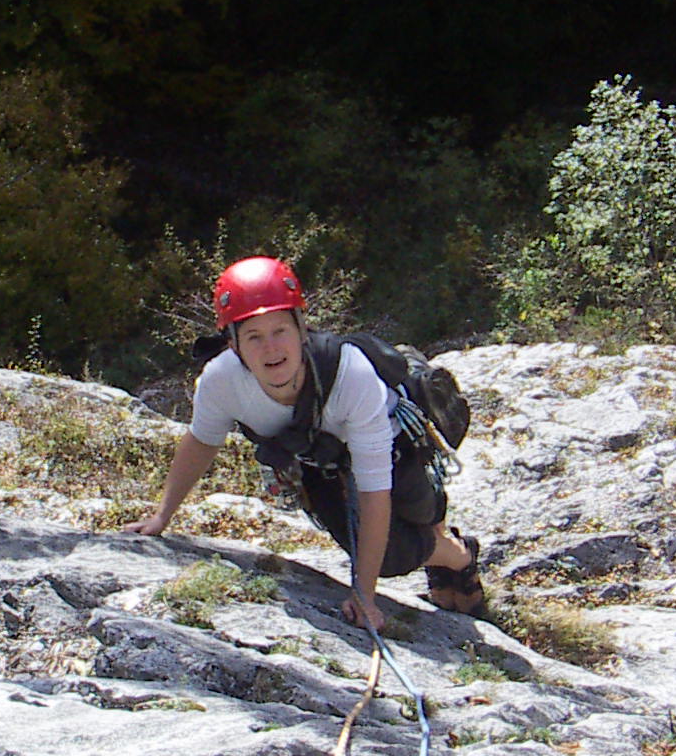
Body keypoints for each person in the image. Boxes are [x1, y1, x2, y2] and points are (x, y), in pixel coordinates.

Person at [124, 256, 485, 626]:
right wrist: (161, 516)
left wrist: (364, 595)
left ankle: (454, 554)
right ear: (233, 344)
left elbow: (373, 490)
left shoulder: (350, 376)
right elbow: (201, 442)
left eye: (280, 330)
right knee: (393, 556)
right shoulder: (221, 381)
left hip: (395, 444)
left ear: (301, 329)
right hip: (319, 460)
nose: (271, 348)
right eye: (253, 336)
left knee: (420, 516)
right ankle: (457, 556)